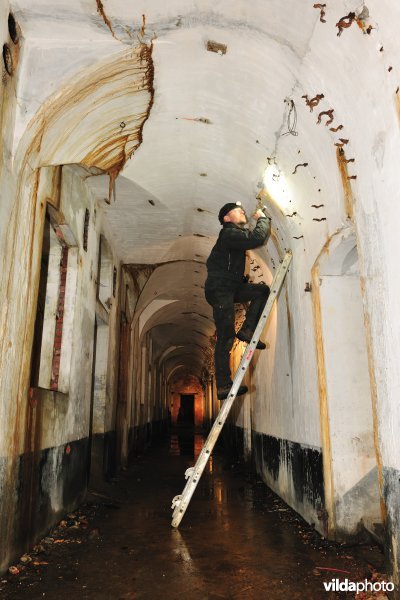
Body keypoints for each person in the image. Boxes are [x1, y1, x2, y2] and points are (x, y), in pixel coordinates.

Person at [204, 201, 271, 400]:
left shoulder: (232, 236)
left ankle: (248, 330)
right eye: (237, 210)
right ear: (226, 218)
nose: (242, 211)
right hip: (221, 289)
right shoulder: (229, 233)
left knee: (261, 291)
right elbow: (256, 238)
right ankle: (224, 386)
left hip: (230, 287)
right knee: (225, 338)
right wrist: (262, 218)